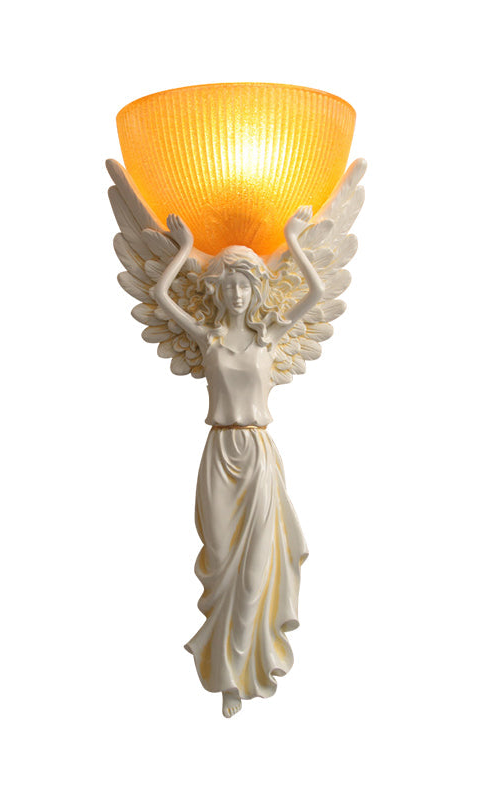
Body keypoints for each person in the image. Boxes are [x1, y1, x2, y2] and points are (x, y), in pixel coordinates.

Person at [154, 207, 324, 718]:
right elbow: (161, 295)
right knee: (222, 559)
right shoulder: (207, 337)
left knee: (253, 571)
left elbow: (315, 292)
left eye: (245, 285)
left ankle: (240, 671)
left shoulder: (270, 334)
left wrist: (293, 239)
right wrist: (184, 249)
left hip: (256, 454)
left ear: (256, 289)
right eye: (228, 285)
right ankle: (223, 668)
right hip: (219, 455)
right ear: (218, 290)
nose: (236, 293)